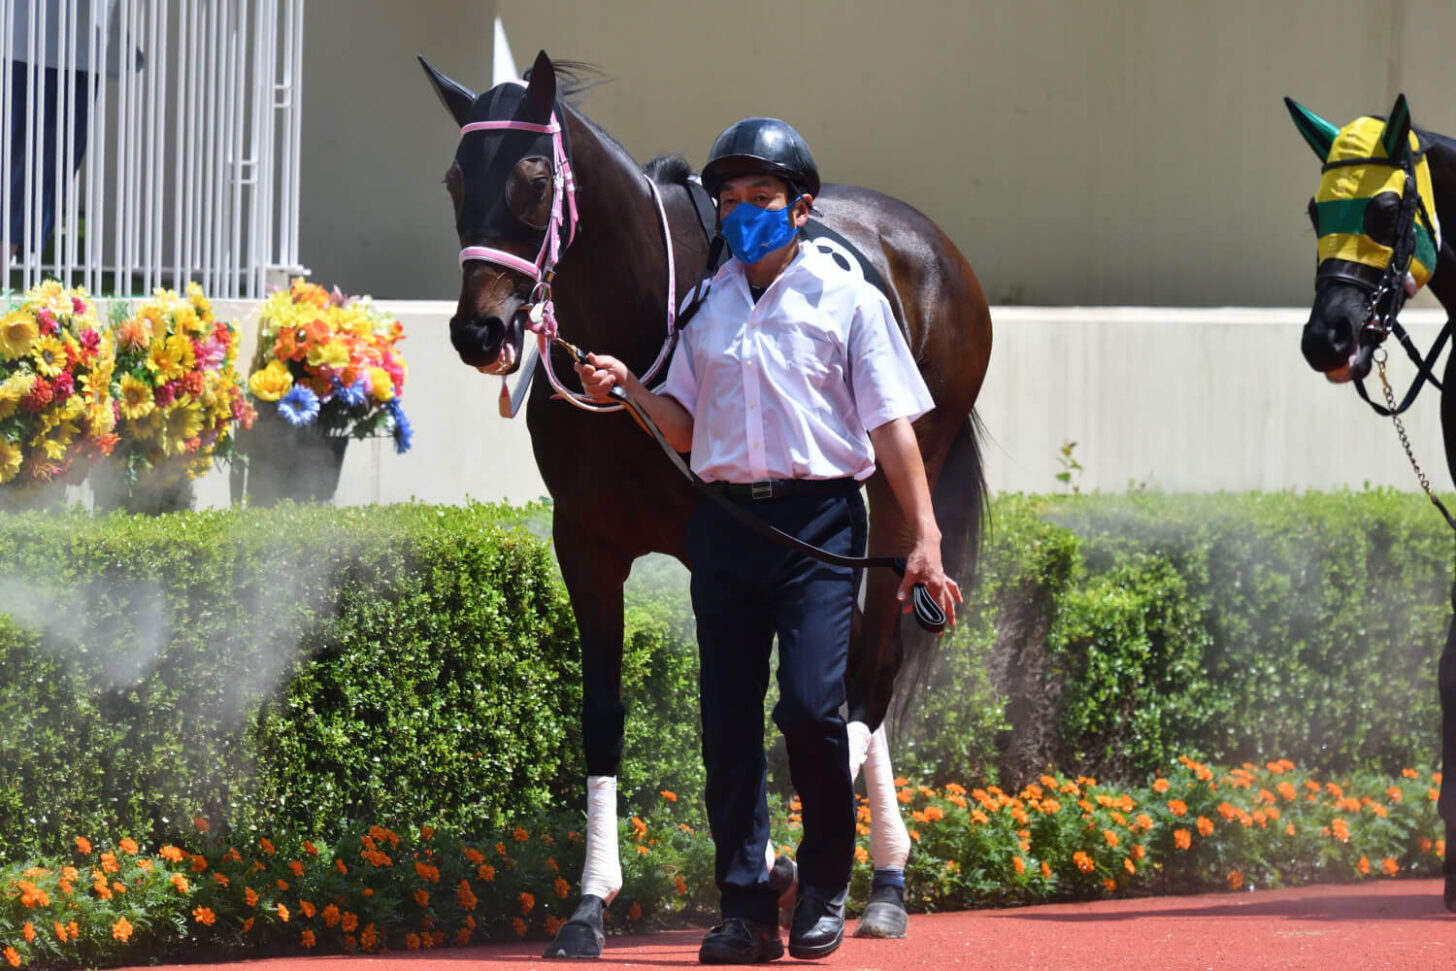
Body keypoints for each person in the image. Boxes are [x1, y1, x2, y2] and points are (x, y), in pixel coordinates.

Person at [575, 117, 961, 964]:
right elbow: (681, 429)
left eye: (762, 198)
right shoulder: (706, 305)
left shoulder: (848, 299)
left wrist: (925, 537)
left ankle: (821, 887)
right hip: (725, 528)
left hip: (821, 524)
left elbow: (894, 430)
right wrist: (632, 388)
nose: (743, 212)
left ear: (801, 207)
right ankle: (746, 906)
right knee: (727, 723)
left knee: (812, 711)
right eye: (730, 200)